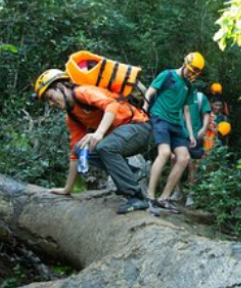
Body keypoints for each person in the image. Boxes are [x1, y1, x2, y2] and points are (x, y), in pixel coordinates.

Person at [33, 68, 152, 214]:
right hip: (120, 138)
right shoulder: (72, 116)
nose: (51, 103)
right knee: (80, 148)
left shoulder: (83, 92)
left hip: (139, 127)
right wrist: (67, 189)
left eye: (50, 97)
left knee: (104, 147)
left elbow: (112, 104)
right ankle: (130, 173)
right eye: (47, 101)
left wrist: (99, 133)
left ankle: (137, 197)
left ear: (60, 87)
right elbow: (75, 155)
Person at [143, 52, 204, 212]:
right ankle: (150, 196)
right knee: (164, 153)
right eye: (190, 71)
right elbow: (150, 91)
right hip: (160, 117)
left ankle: (164, 198)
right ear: (185, 65)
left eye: (194, 73)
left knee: (184, 158)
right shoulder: (167, 75)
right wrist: (144, 110)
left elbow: (187, 111)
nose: (191, 75)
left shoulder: (189, 87)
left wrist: (190, 134)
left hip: (176, 124)